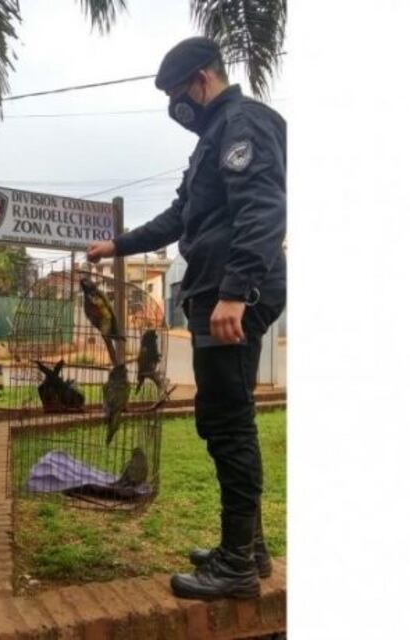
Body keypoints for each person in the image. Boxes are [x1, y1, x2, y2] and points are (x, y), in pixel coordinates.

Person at [87, 37, 286, 601]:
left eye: (178, 94)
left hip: (231, 290)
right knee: (230, 417)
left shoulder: (242, 123)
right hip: (219, 286)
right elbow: (182, 215)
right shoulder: (211, 141)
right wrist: (118, 244)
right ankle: (248, 549)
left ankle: (237, 568)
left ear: (203, 78)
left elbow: (263, 208)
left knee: (227, 424)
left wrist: (236, 292)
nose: (177, 107)